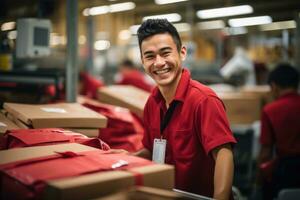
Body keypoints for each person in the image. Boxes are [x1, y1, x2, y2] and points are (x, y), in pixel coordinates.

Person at [134, 19, 237, 200]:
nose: (158, 63)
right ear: (142, 61)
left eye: (165, 53)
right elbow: (151, 150)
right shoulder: (152, 102)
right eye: (150, 56)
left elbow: (223, 153)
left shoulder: (203, 100)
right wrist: (123, 160)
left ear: (182, 53)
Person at [257, 63, 300, 199]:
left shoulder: (270, 110)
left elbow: (265, 152)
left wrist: (257, 180)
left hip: (286, 172)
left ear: (274, 86)